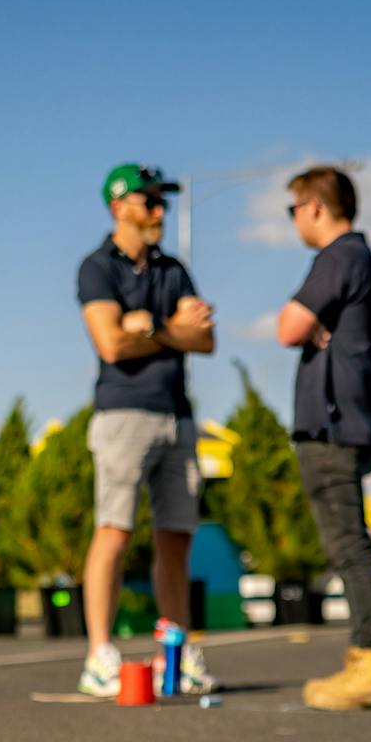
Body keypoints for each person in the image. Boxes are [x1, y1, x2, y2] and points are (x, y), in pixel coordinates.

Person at [75, 163, 218, 697]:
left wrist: (152, 327)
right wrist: (173, 330)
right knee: (114, 530)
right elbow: (110, 344)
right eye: (149, 201)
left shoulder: (173, 269)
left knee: (176, 537)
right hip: (122, 414)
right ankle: (99, 653)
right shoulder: (96, 268)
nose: (160, 211)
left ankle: (179, 654)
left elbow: (205, 340)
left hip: (176, 413)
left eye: (163, 202)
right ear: (119, 206)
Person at [275, 165, 371, 710]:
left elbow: (287, 328)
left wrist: (311, 324)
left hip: (332, 426)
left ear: (316, 206)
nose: (294, 219)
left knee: (348, 546)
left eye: (294, 208)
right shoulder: (358, 258)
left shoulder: (339, 256)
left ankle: (370, 663)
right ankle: (365, 659)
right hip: (350, 421)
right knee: (349, 545)